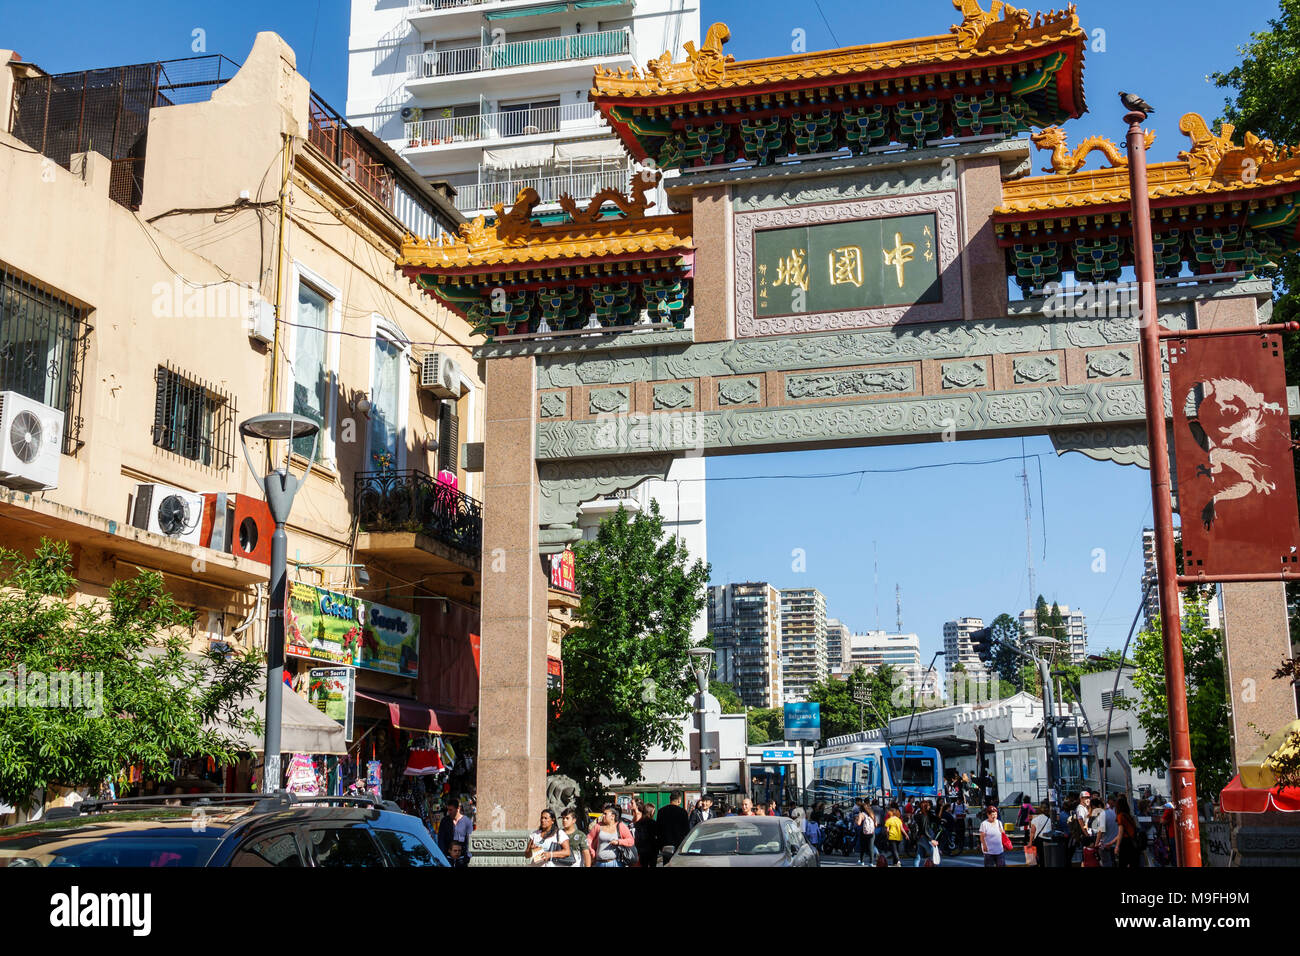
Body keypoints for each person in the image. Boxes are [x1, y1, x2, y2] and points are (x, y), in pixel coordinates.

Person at [1115, 795, 1140, 869]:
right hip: (1133, 841)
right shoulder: (1129, 816)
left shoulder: (1120, 816)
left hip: (1125, 842)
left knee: (1122, 863)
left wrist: (1117, 846)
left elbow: (1120, 833)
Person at [634, 800, 660, 868]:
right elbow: (657, 836)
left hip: (641, 851)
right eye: (654, 811)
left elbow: (637, 837)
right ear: (651, 811)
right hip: (652, 851)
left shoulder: (638, 823)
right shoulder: (653, 823)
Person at [913, 800, 940, 867]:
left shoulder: (918, 815)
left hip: (919, 837)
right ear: (925, 806)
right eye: (928, 805)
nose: (929, 806)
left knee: (918, 856)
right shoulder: (924, 816)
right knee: (933, 854)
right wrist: (931, 840)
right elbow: (925, 830)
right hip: (924, 837)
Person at [1098, 794, 1120, 867]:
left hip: (1108, 842)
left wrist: (1097, 842)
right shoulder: (1116, 812)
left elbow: (1101, 830)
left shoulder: (1108, 812)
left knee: (1109, 862)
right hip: (1113, 842)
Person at [1028, 801, 1051, 867]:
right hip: (1048, 840)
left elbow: (1032, 832)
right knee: (1046, 859)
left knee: (1037, 858)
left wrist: (1030, 842)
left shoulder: (1035, 819)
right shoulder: (1051, 819)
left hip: (1038, 841)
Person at [857, 801, 876, 866]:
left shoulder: (861, 814)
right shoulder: (871, 813)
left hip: (864, 833)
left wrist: (856, 820)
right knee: (871, 847)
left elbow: (859, 824)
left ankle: (862, 861)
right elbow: (876, 824)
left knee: (863, 847)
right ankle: (871, 863)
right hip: (872, 833)